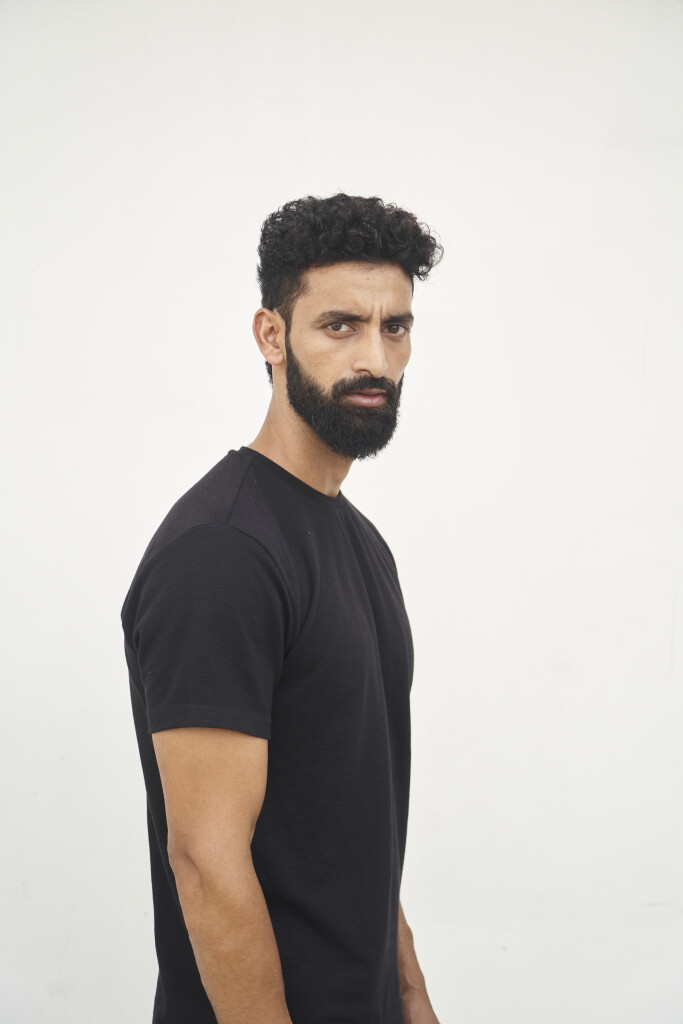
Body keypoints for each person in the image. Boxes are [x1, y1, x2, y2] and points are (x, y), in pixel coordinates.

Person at [120, 192, 444, 1024]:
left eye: (395, 327)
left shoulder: (361, 545)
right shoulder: (222, 553)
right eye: (340, 326)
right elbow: (205, 862)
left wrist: (411, 997)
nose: (374, 357)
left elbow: (354, 830)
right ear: (271, 335)